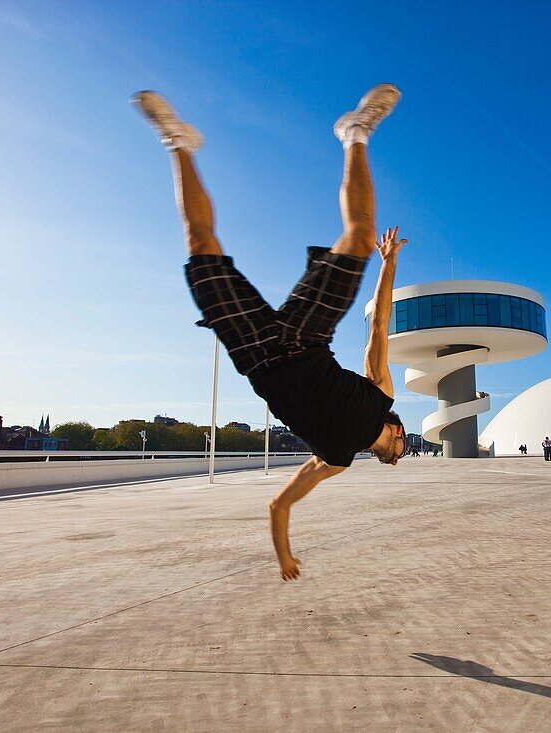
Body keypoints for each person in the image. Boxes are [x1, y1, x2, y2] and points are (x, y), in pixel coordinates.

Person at [134, 84, 407, 581]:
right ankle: (356, 133)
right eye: (402, 450)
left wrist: (283, 555)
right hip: (306, 339)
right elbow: (380, 329)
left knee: (200, 246)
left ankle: (178, 143)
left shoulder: (335, 459)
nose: (396, 458)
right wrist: (388, 266)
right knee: (362, 238)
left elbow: (279, 505)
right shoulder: (381, 394)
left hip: (256, 356)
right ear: (396, 430)